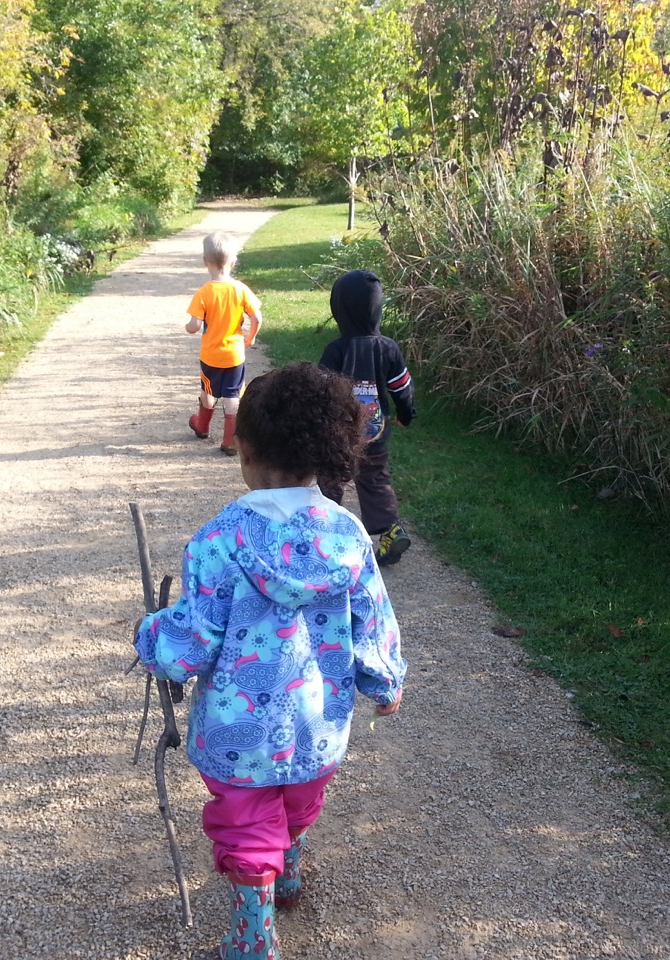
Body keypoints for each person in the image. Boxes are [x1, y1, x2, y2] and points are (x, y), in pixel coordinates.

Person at [134, 362, 407, 960]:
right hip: (317, 722)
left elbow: (192, 640)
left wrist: (152, 638)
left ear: (247, 451)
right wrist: (385, 679)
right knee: (301, 801)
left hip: (238, 734)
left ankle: (254, 932)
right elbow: (372, 616)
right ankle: (288, 863)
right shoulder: (347, 535)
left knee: (247, 821)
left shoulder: (218, 541)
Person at [318, 269, 417, 566]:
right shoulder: (388, 348)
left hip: (340, 431)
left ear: (339, 309)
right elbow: (402, 387)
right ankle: (390, 531)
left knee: (332, 476)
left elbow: (322, 390)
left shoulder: (336, 350)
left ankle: (325, 534)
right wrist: (406, 414)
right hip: (375, 429)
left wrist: (316, 423)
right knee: (374, 478)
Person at [185, 231, 263, 456]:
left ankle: (201, 426)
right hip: (234, 355)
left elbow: (194, 324)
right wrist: (251, 337)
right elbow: (256, 317)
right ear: (234, 262)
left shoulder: (203, 293)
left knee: (208, 390)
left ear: (205, 262)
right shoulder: (240, 289)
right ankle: (229, 441)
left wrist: (189, 328)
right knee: (233, 394)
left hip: (211, 355)